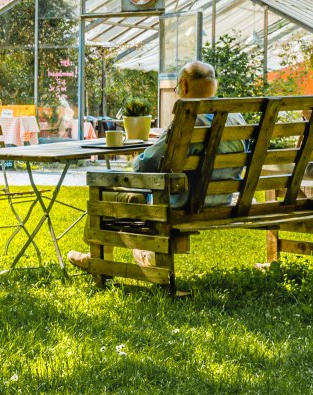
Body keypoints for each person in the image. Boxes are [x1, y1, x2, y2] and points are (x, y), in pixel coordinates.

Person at [67, 60, 236, 273]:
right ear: (215, 85)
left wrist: (142, 156)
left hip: (183, 205)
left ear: (183, 86)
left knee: (103, 189)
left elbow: (145, 165)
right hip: (223, 201)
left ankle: (100, 258)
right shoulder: (236, 117)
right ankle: (143, 254)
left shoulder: (188, 119)